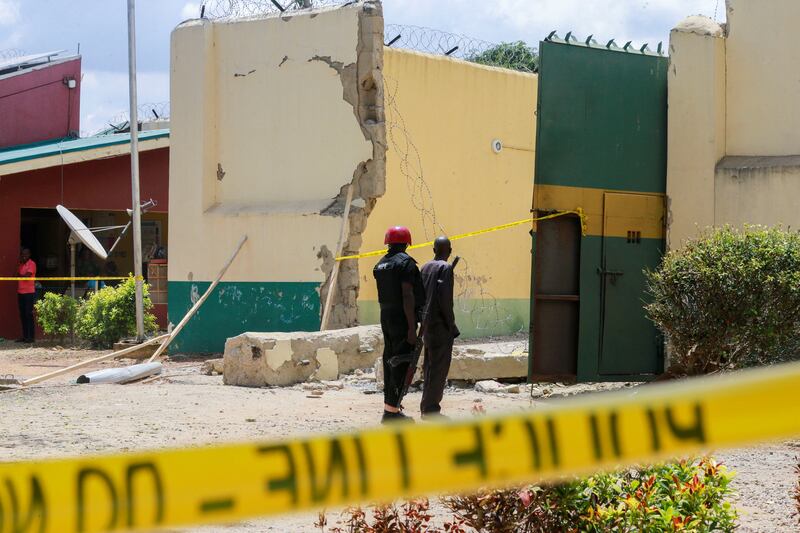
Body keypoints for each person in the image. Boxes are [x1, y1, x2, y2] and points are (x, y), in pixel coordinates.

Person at [373, 226, 424, 424]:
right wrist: (412, 328)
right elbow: (407, 295)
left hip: (386, 316)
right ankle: (392, 412)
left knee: (390, 358)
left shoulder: (381, 264)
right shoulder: (406, 264)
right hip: (402, 318)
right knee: (402, 360)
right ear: (406, 243)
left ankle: (390, 407)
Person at [419, 237, 459, 419]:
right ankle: (431, 408)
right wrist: (451, 325)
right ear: (449, 250)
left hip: (427, 325)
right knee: (439, 368)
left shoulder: (425, 267)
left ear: (434, 249)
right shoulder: (446, 268)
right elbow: (445, 301)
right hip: (440, 325)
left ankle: (426, 404)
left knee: (429, 366)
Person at [16, 248, 36, 343]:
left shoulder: (32, 264)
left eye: (25, 254)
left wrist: (20, 275)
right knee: (22, 315)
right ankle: (25, 336)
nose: (24, 256)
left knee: (29, 314)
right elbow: (16, 275)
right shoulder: (21, 265)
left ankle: (31, 337)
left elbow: (27, 276)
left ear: (29, 254)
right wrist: (20, 266)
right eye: (22, 254)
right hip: (20, 292)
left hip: (29, 293)